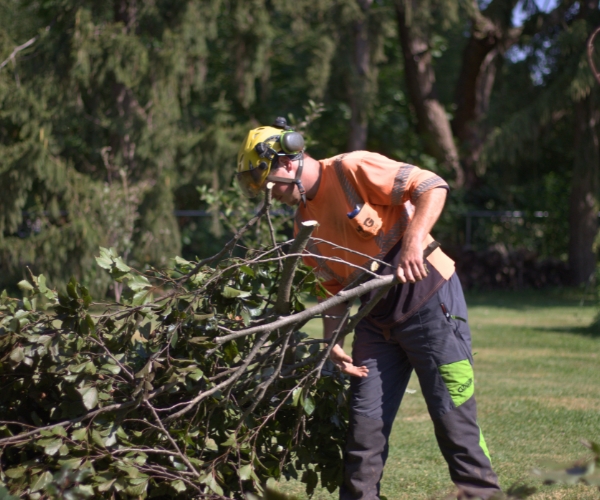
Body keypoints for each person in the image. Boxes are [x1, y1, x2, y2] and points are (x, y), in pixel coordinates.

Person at [236, 118, 501, 500]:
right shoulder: (303, 226)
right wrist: (333, 342)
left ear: (288, 162)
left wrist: (412, 244)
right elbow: (335, 291)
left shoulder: (351, 169)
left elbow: (432, 186)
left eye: (270, 183)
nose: (270, 194)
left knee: (453, 419)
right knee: (363, 430)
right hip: (375, 324)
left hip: (430, 302)